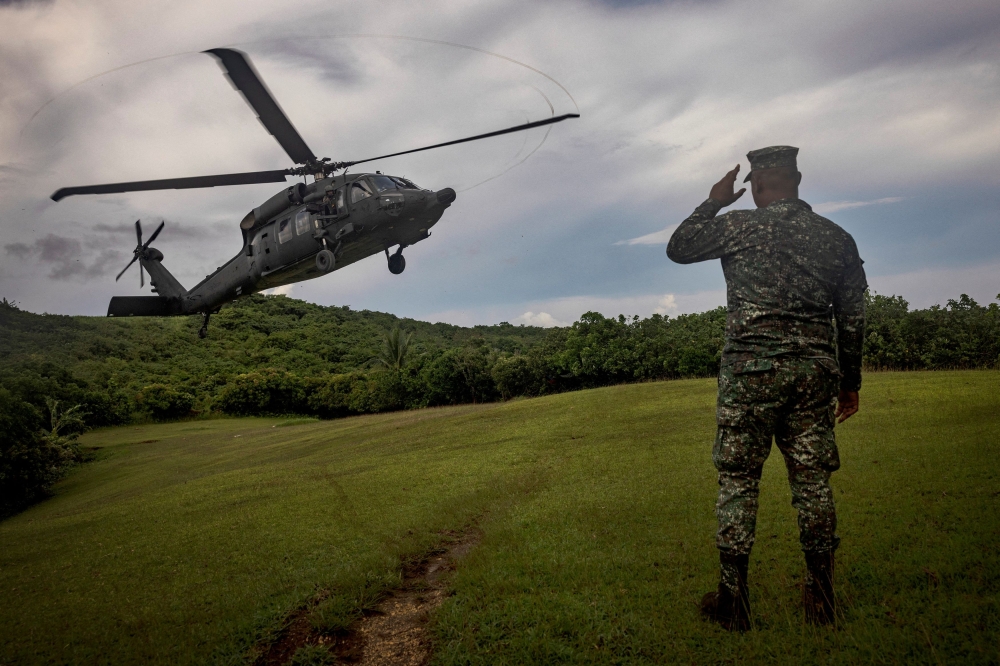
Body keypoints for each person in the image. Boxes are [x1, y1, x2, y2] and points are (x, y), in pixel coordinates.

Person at [666, 146, 867, 630]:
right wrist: (850, 382)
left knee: (738, 482)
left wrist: (713, 200)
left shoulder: (739, 226)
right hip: (814, 375)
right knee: (813, 484)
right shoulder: (837, 238)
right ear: (797, 180)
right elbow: (854, 317)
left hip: (749, 375)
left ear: (755, 185)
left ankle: (733, 605)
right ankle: (821, 601)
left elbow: (678, 247)